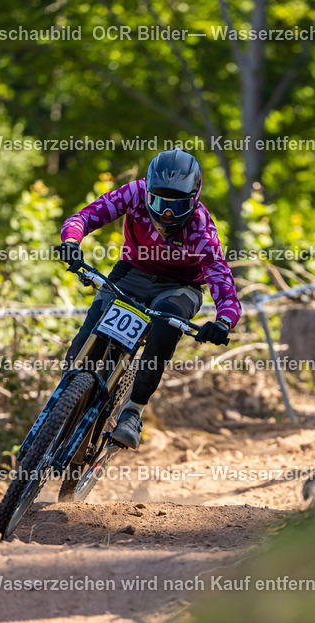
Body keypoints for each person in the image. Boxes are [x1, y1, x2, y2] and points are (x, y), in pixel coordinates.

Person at [55, 148, 241, 449]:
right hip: (132, 273)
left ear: (193, 200)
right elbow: (86, 216)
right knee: (82, 347)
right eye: (158, 202)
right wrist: (72, 241)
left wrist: (223, 322)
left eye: (176, 205)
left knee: (169, 320)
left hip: (180, 287)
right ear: (147, 191)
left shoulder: (201, 230)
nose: (166, 213)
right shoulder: (134, 192)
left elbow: (223, 284)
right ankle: (65, 404)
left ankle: (134, 411)